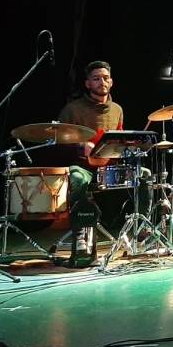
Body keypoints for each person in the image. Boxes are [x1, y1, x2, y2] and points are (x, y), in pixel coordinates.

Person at [57, 61, 125, 253]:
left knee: (144, 175)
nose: (101, 82)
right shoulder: (72, 109)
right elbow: (58, 143)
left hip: (109, 169)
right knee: (76, 177)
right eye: (96, 79)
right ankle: (80, 234)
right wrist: (80, 147)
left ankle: (143, 233)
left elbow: (119, 137)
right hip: (84, 167)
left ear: (111, 82)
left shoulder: (117, 109)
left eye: (105, 78)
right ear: (87, 84)